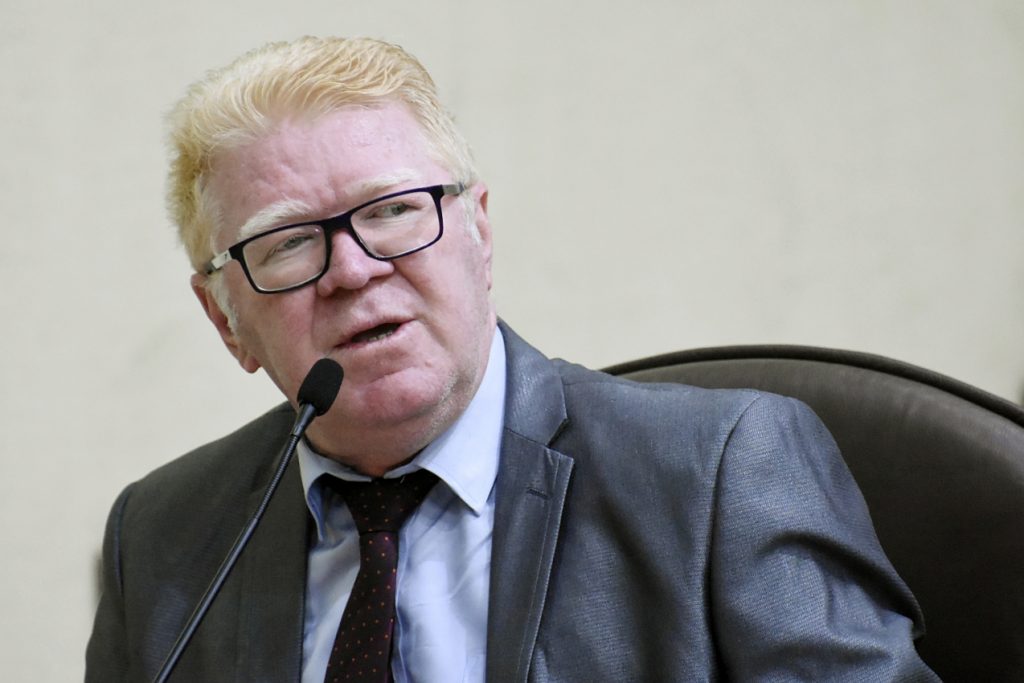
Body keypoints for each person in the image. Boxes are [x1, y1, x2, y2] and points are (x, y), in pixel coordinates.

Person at [86, 36, 939, 682]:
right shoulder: (163, 537)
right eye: (286, 243)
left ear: (479, 232)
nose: (352, 269)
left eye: (392, 210)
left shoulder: (720, 473)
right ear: (225, 319)